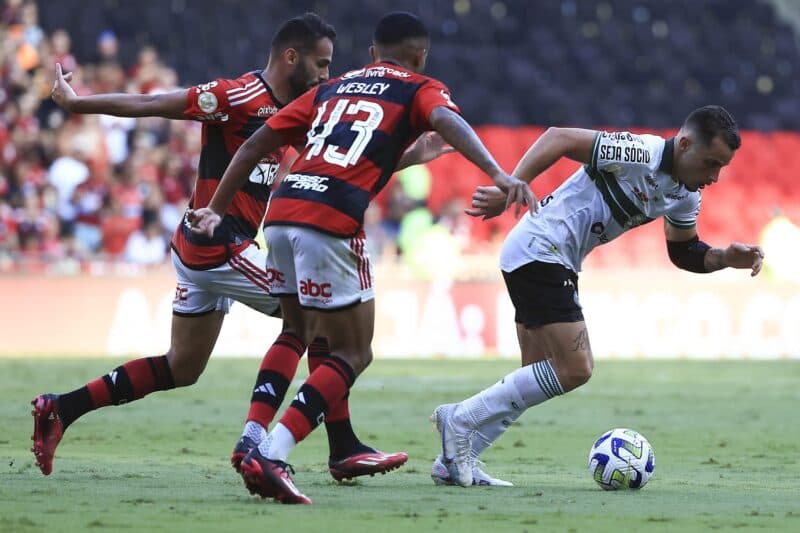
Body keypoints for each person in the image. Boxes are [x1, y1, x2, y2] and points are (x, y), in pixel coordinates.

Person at [31, 13, 426, 482]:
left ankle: (62, 408)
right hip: (217, 245)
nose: (325, 75)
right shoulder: (237, 96)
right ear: (290, 56)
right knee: (313, 319)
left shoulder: (293, 113)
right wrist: (79, 104)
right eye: (321, 64)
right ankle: (298, 444)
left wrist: (411, 156)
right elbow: (154, 102)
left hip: (205, 248)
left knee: (182, 367)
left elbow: (337, 165)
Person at [190, 11, 534, 504]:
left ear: (371, 54)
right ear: (420, 56)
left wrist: (215, 210)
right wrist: (500, 175)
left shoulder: (334, 87)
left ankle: (322, 444)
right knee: (354, 351)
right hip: (331, 219)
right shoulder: (420, 87)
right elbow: (446, 120)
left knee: (299, 332)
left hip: (283, 213)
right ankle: (271, 451)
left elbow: (258, 142)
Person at [430, 105, 765, 487]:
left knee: (534, 372)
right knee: (576, 368)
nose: (715, 177)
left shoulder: (685, 195)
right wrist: (511, 187)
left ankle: (455, 459)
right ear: (685, 144)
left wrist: (724, 258)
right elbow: (558, 136)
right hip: (541, 248)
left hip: (551, 258)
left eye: (721, 167)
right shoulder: (640, 153)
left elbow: (683, 252)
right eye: (710, 163)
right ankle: (458, 419)